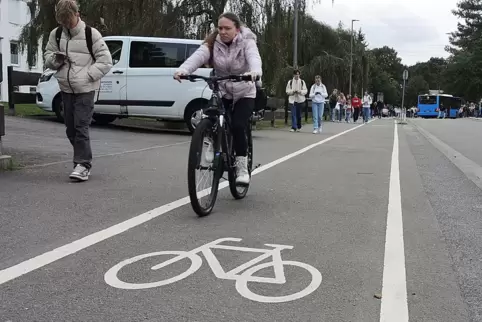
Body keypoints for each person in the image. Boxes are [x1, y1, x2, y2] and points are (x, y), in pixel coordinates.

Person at [173, 12, 262, 186]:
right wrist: (183, 70)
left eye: (227, 28)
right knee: (211, 115)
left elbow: (254, 58)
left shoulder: (247, 41)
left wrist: (254, 72)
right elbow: (197, 57)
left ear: (237, 29)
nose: (223, 31)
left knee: (237, 125)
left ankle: (242, 168)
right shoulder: (213, 43)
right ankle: (213, 145)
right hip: (223, 90)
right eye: (220, 28)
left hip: (245, 91)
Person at [44, 0, 112, 181]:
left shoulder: (91, 34)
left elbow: (106, 62)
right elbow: (48, 57)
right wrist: (55, 60)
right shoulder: (56, 34)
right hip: (65, 89)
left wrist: (87, 76)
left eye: (69, 21)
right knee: (70, 129)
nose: (66, 25)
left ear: (77, 14)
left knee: (81, 126)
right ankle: (82, 161)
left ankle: (82, 164)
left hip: (86, 89)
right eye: (62, 22)